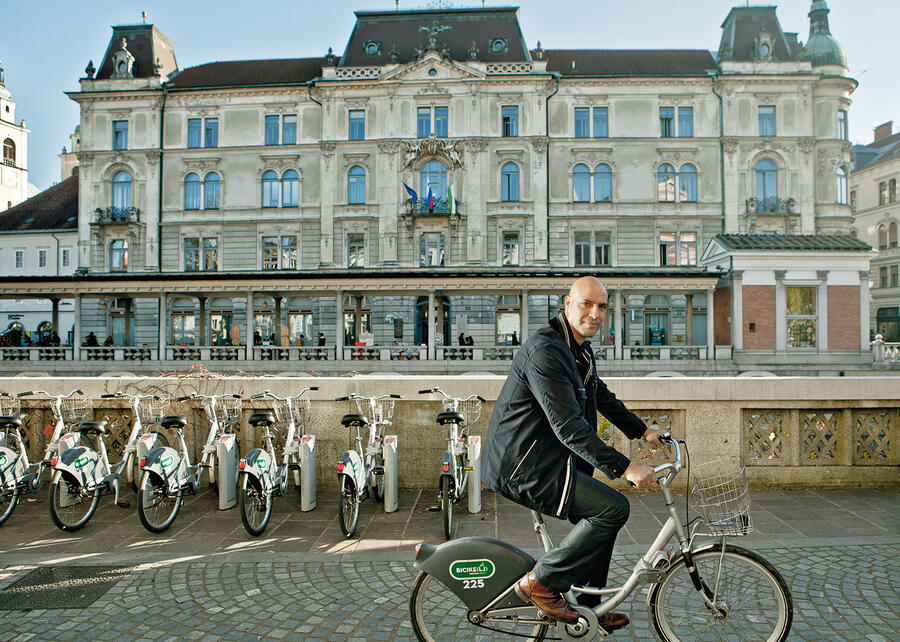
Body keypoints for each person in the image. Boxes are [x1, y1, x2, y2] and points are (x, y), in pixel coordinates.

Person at [482, 276, 662, 630]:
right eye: (586, 304)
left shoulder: (577, 347)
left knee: (603, 514)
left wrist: (642, 431)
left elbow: (601, 395)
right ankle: (540, 582)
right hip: (522, 464)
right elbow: (568, 426)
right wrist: (625, 467)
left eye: (602, 307)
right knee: (613, 508)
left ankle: (590, 606)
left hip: (545, 459)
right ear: (567, 304)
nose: (595, 313)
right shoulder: (547, 351)